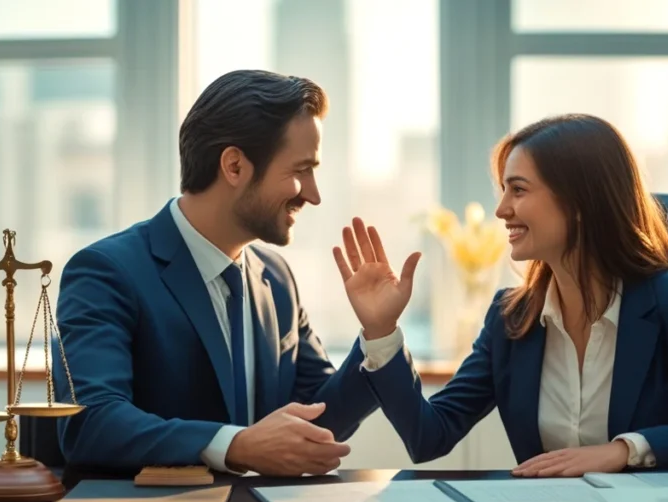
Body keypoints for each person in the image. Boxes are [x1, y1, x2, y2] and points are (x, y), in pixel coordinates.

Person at [334, 113, 668, 477]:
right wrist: (381, 330)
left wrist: (627, 450)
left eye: (518, 190)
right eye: (503, 191)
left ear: (580, 204)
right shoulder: (510, 319)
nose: (501, 209)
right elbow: (427, 436)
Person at [52, 70, 421, 476]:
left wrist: (377, 334)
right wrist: (236, 445)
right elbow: (90, 423)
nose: (313, 194)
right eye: (301, 170)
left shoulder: (276, 279)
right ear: (234, 166)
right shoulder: (106, 273)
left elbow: (317, 423)